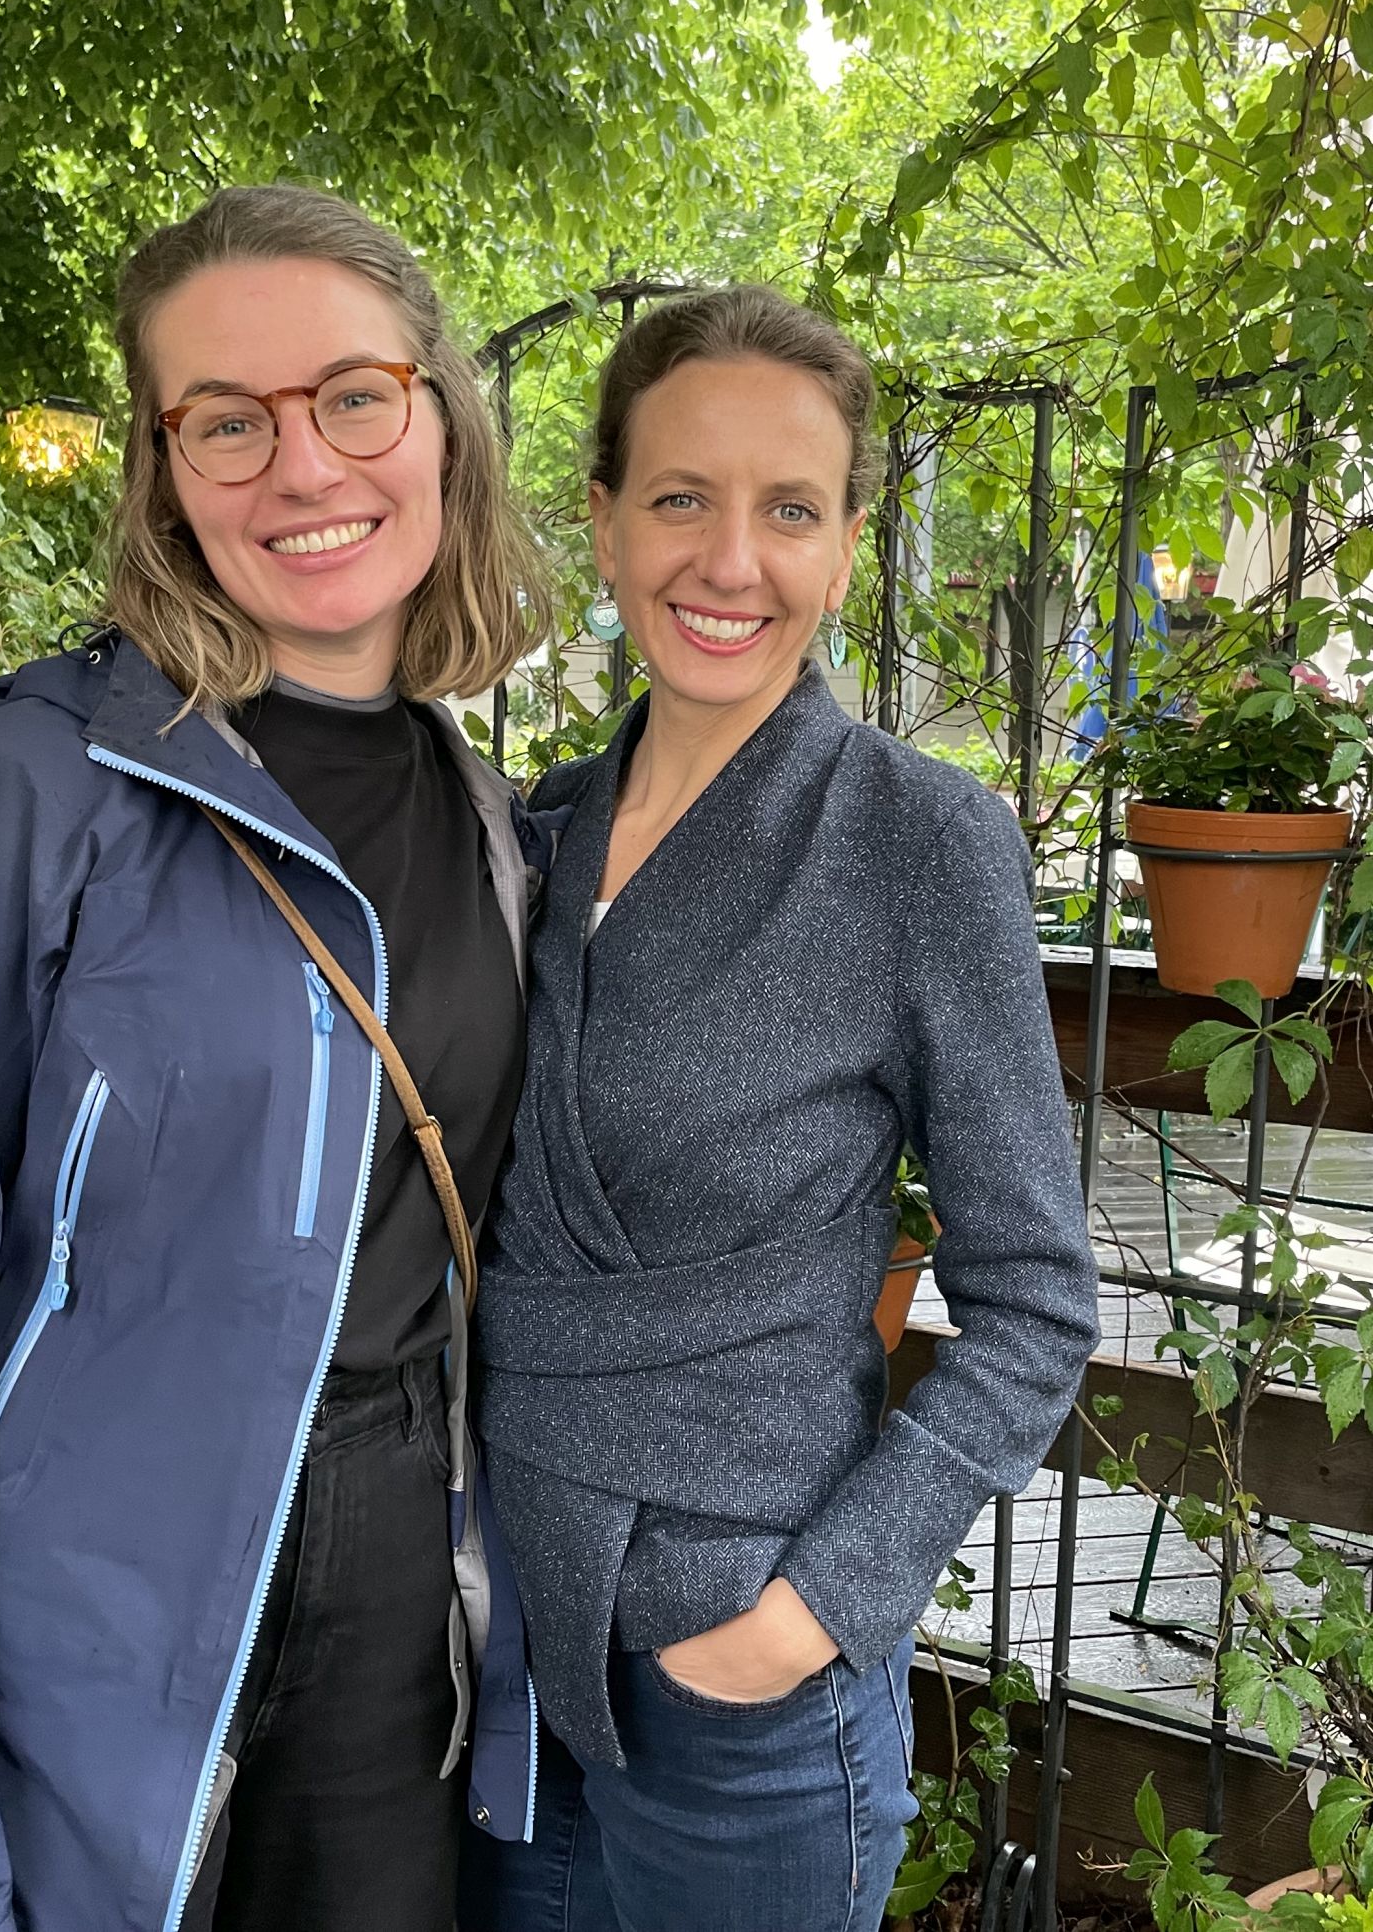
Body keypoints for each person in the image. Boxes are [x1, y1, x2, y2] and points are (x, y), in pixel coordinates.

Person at [0, 184, 551, 1932]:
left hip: (393, 1628)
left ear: (441, 420)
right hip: (79, 1644)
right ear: (165, 474)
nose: (303, 468)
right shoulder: (23, 796)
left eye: (351, 396)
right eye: (225, 422)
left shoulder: (492, 825)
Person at [458, 287, 1100, 1932]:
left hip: (741, 1675)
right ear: (602, 523)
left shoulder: (916, 841)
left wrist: (813, 1609)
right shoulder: (535, 831)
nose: (729, 561)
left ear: (848, 544)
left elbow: (1033, 1302)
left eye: (788, 509)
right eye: (681, 498)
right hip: (506, 1642)